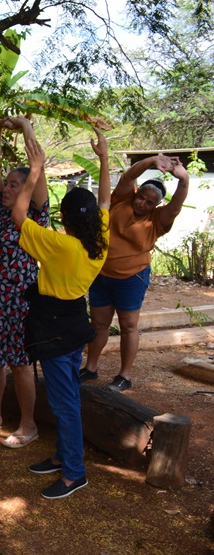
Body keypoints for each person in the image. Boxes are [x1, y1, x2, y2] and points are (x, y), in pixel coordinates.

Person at [12, 127, 110, 499]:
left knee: (64, 402)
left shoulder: (60, 246)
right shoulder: (99, 240)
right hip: (71, 322)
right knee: (63, 394)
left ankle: (74, 472)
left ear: (65, 218)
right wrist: (103, 158)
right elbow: (105, 201)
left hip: (54, 327)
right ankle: (62, 457)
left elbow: (19, 215)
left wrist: (35, 170)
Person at [81, 154, 190, 392]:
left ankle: (124, 375)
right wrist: (153, 161)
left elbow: (176, 206)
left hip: (132, 278)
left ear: (156, 206)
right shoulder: (122, 199)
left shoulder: (159, 220)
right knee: (98, 324)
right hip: (101, 275)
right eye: (141, 197)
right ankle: (90, 368)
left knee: (129, 326)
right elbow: (129, 175)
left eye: (149, 203)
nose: (142, 204)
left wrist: (184, 180)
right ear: (137, 192)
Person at [0, 116, 49, 448]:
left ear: (29, 189)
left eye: (14, 185)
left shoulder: (35, 214)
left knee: (20, 364)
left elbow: (38, 167)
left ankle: (29, 424)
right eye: (5, 184)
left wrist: (27, 129)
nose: (6, 188)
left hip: (19, 300)